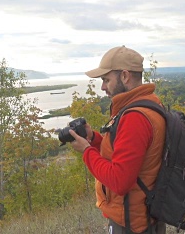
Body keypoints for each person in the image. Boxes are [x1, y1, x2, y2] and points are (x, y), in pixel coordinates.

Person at [69, 45, 167, 234]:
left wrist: (87, 151)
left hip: (133, 222)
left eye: (106, 80)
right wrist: (94, 140)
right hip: (144, 216)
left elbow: (119, 181)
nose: (103, 87)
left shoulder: (135, 118)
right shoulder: (149, 103)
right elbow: (126, 155)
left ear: (124, 76)